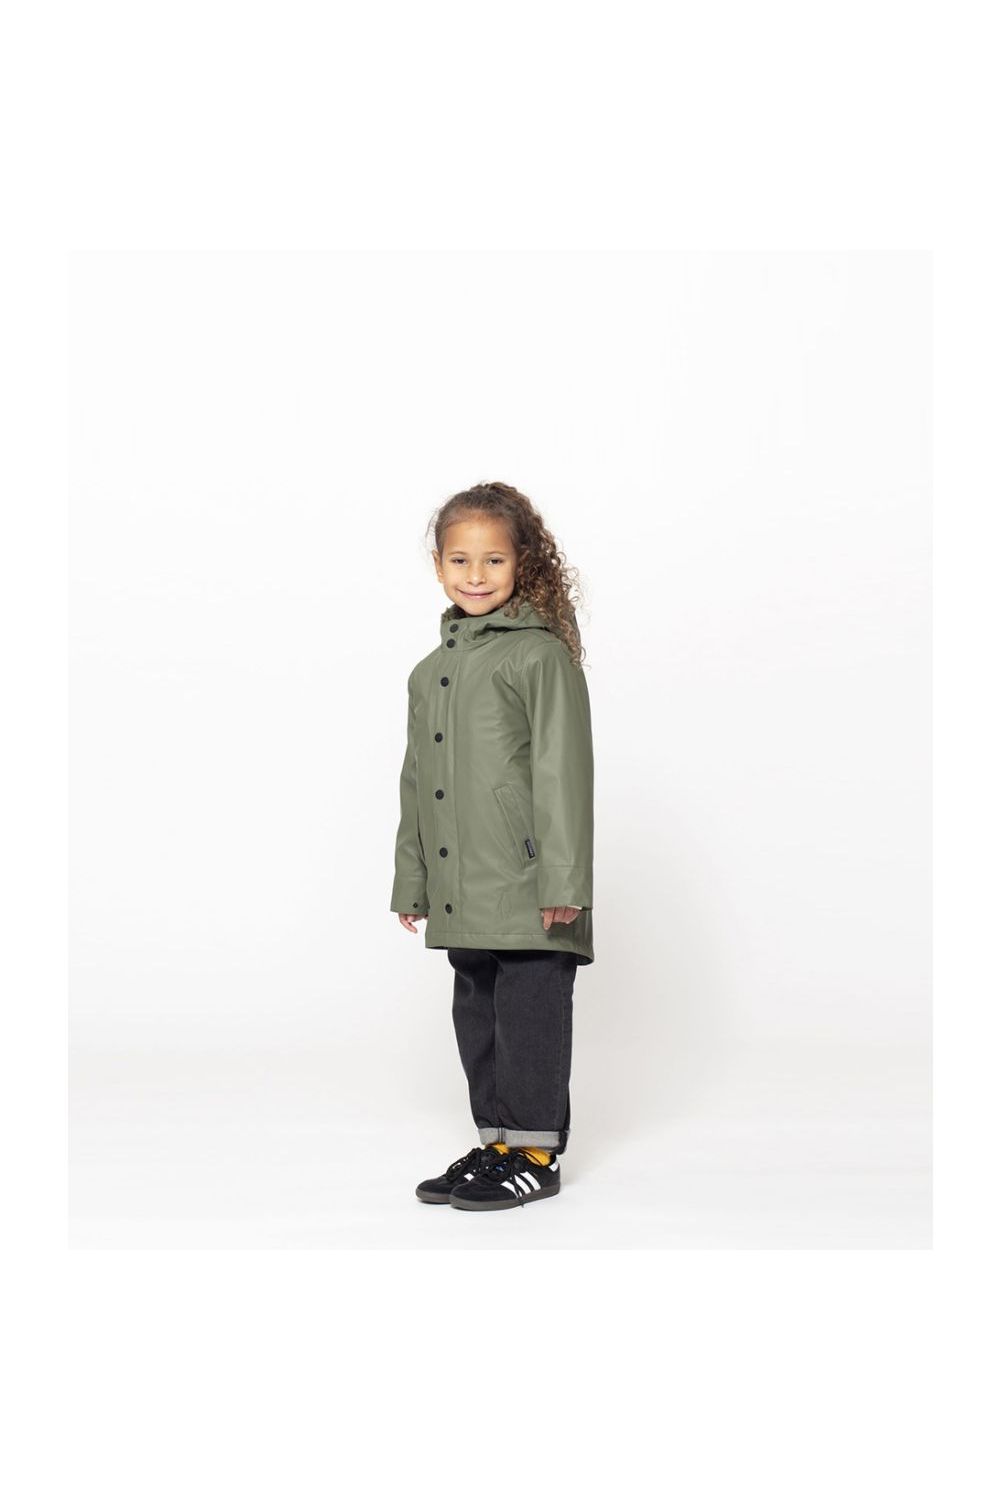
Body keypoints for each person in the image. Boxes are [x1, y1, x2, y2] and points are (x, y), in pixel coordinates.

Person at [390, 481, 595, 1211]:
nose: (475, 575)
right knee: (478, 1014)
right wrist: (412, 879)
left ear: (522, 564)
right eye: (459, 560)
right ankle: (498, 1142)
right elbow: (417, 780)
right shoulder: (430, 673)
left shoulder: (539, 657)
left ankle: (534, 1153)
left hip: (529, 882)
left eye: (494, 560)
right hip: (461, 884)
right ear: (438, 566)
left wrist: (563, 878)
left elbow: (564, 773)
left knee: (530, 1012)